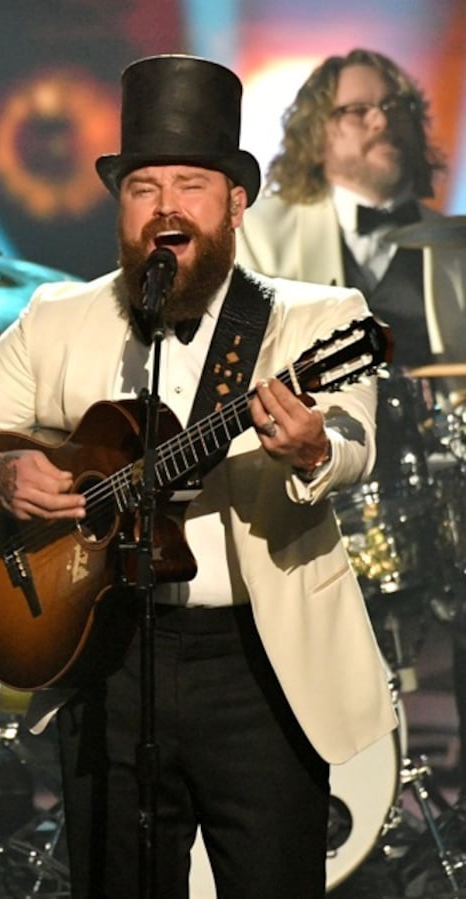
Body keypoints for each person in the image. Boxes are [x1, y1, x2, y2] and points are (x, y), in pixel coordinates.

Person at [0, 54, 396, 899]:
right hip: (106, 656)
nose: (166, 208)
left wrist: (311, 448)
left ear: (236, 202)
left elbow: (352, 441)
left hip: (262, 672)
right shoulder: (62, 319)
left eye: (191, 184)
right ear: (119, 205)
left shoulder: (321, 320)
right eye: (143, 186)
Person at [236, 47, 466, 783]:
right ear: (316, 132)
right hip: (300, 489)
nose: (382, 121)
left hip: (432, 489)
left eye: (395, 107)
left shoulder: (454, 248)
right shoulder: (261, 236)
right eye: (358, 109)